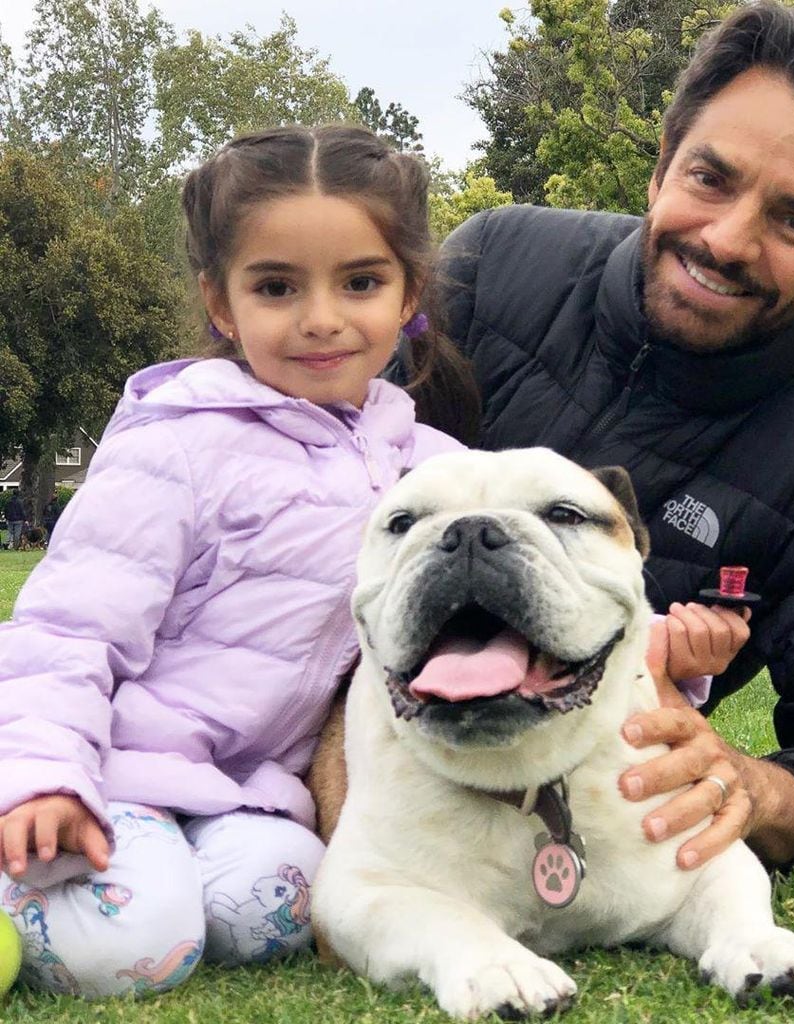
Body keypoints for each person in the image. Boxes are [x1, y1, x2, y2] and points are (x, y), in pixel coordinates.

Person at [411, 3, 794, 872]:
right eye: (710, 179)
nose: (727, 239)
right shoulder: (493, 266)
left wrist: (757, 788)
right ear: (661, 166)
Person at [0, 124, 481, 999]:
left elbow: (533, 598)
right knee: (136, 945)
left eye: (361, 282)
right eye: (276, 286)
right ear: (222, 304)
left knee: (294, 912)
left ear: (409, 290)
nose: (322, 318)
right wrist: (41, 779)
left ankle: (160, 884)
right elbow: (67, 631)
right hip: (109, 769)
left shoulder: (436, 467)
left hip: (248, 792)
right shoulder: (178, 446)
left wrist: (670, 667)